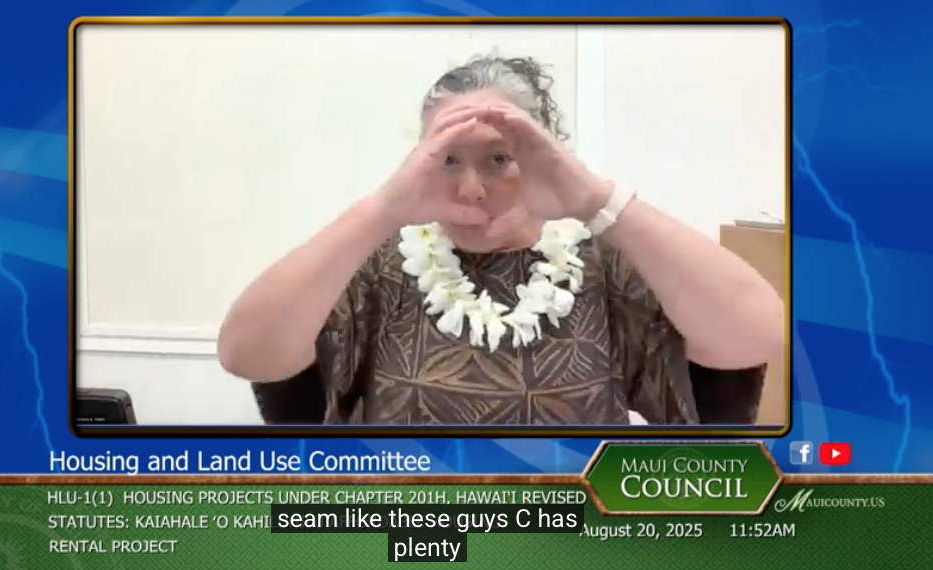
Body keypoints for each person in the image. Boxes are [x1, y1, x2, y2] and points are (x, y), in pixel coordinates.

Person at [222, 55, 785, 426]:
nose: (470, 189)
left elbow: (755, 335)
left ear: (545, 157)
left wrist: (597, 200)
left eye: (499, 158)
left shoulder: (601, 265)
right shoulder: (382, 268)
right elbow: (246, 353)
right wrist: (382, 210)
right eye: (448, 160)